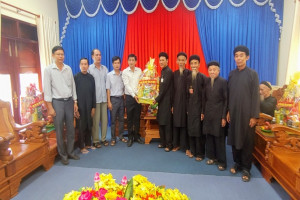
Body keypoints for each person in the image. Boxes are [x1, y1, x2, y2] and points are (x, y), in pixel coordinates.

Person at [227, 45, 260, 182]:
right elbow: (229, 94)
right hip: (233, 113)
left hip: (247, 114)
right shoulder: (232, 74)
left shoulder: (252, 74)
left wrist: (254, 116)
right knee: (234, 138)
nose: (238, 58)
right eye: (236, 55)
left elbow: (255, 96)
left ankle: (246, 168)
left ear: (247, 57)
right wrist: (228, 111)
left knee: (246, 140)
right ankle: (237, 163)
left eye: (241, 55)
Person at [43, 46, 79, 165]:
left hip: (69, 101)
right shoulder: (48, 70)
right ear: (53, 55)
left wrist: (75, 102)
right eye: (58, 54)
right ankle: (62, 155)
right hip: (57, 102)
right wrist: (50, 107)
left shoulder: (68, 68)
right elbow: (47, 90)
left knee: (70, 129)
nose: (60, 57)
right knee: (59, 130)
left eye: (62, 54)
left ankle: (70, 152)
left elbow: (72, 86)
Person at [203, 61, 227, 170]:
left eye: (214, 70)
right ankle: (212, 157)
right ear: (208, 71)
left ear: (219, 70)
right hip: (208, 114)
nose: (212, 72)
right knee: (210, 137)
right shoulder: (206, 81)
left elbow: (226, 100)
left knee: (219, 138)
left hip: (219, 115)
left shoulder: (223, 82)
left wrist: (223, 117)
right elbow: (204, 99)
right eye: (210, 70)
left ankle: (222, 162)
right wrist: (203, 112)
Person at [74, 58, 96, 154]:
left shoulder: (91, 77)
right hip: (80, 106)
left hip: (89, 106)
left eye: (85, 64)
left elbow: (93, 93)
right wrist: (75, 107)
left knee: (89, 125)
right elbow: (73, 93)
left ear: (88, 65)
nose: (84, 66)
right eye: (82, 64)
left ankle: (88, 144)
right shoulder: (76, 77)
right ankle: (81, 146)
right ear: (79, 65)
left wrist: (93, 107)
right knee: (81, 126)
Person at [186, 55, 206, 161]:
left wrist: (203, 111)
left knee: (198, 131)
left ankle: (200, 154)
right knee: (191, 130)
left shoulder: (203, 78)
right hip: (190, 109)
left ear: (199, 64)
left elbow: (204, 97)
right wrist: (187, 109)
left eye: (195, 63)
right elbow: (187, 95)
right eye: (192, 63)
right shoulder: (188, 78)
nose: (193, 65)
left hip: (199, 109)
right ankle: (192, 151)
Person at [122, 54, 144, 147]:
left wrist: (138, 94)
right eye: (129, 60)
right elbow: (127, 85)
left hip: (138, 97)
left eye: (133, 60)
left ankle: (136, 136)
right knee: (130, 118)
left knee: (137, 117)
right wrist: (134, 94)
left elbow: (142, 83)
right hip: (129, 97)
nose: (131, 62)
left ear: (136, 61)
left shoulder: (139, 71)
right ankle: (130, 137)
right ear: (128, 61)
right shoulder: (125, 72)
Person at [88, 49, 108, 148]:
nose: (98, 57)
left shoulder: (105, 69)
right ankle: (95, 140)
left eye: (100, 55)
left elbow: (107, 85)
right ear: (92, 57)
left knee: (104, 120)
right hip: (94, 99)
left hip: (104, 99)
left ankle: (103, 139)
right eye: (96, 55)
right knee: (95, 121)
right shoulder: (89, 69)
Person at [172, 52, 191, 155]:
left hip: (185, 103)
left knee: (184, 124)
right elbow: (172, 91)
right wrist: (172, 105)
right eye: (179, 60)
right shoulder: (174, 74)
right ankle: (176, 144)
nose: (181, 62)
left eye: (183, 60)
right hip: (176, 103)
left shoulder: (189, 73)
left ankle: (186, 147)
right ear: (176, 61)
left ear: (186, 61)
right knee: (176, 124)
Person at [154, 52, 173, 152]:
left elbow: (164, 88)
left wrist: (155, 99)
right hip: (161, 101)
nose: (161, 62)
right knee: (161, 122)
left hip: (166, 101)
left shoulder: (169, 72)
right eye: (160, 60)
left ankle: (169, 144)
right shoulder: (162, 71)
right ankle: (163, 142)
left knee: (167, 124)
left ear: (167, 61)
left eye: (163, 60)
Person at [106, 56, 127, 146]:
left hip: (121, 99)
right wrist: (109, 102)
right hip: (113, 99)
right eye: (115, 63)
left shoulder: (123, 74)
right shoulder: (109, 75)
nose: (117, 64)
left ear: (120, 63)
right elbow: (108, 89)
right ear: (112, 64)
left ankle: (121, 136)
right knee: (113, 120)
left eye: (118, 63)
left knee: (122, 119)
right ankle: (113, 138)